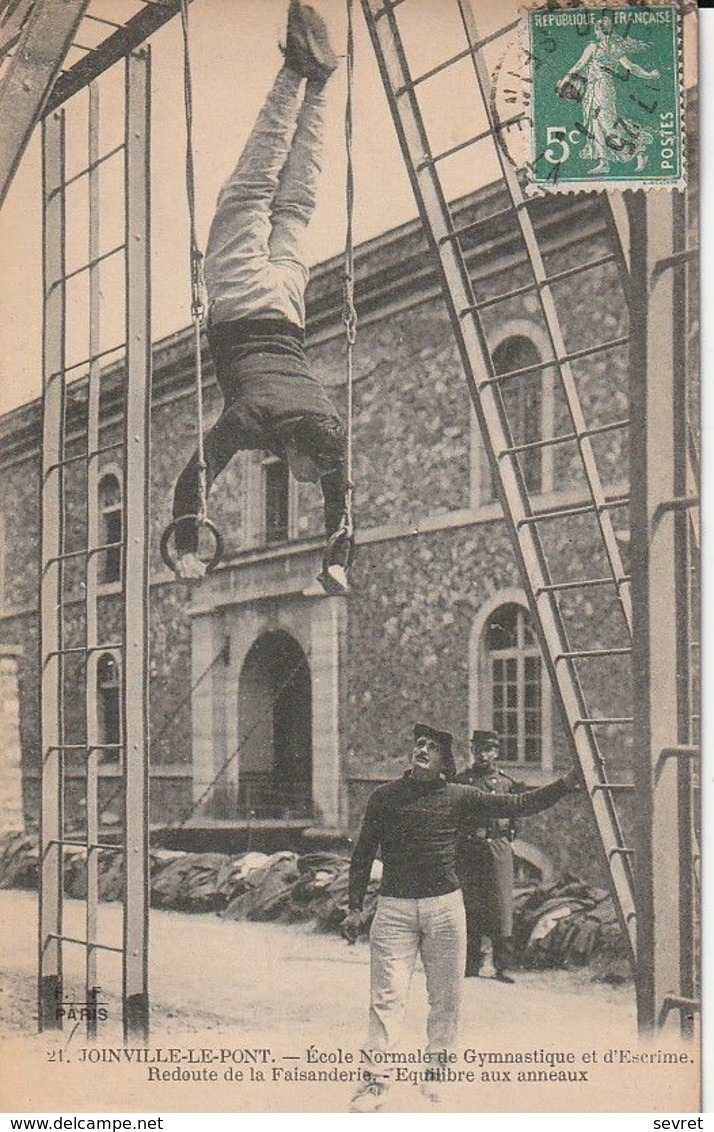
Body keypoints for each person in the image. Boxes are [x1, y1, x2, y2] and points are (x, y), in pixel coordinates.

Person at [170, 1, 352, 594]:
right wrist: (187, 551)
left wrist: (336, 565)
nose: (304, 480)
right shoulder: (253, 420)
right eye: (305, 472)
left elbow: (341, 502)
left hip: (288, 304)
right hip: (244, 298)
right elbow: (190, 480)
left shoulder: (328, 425)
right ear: (299, 452)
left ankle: (320, 84)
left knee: (295, 203)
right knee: (250, 190)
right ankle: (295, 73)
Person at [342, 722, 580, 1111]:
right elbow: (363, 853)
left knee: (446, 998)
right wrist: (354, 907)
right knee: (386, 998)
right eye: (418, 743)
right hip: (394, 910)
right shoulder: (385, 797)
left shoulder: (462, 796)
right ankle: (375, 1084)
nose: (422, 749)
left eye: (431, 747)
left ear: (443, 760)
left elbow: (518, 805)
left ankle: (437, 1076)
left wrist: (565, 784)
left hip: (445, 910)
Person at [455, 730, 526, 983]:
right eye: (478, 750)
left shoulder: (506, 784)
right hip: (469, 847)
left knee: (501, 907)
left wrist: (504, 841)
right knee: (470, 904)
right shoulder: (462, 781)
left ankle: (502, 966)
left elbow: (516, 821)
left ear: (496, 752)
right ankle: (471, 963)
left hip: (497, 846)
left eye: (488, 750)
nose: (482, 755)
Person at [556, 14, 660, 175]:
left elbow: (579, 65)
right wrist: (648, 75)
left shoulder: (593, 47)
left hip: (602, 88)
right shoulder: (615, 48)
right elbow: (631, 68)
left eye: (596, 30)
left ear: (600, 31)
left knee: (607, 122)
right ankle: (604, 161)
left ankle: (639, 150)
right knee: (595, 122)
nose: (595, 33)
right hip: (595, 87)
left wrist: (565, 79)